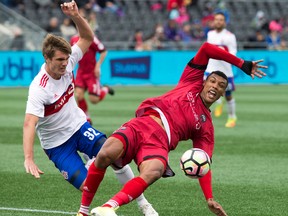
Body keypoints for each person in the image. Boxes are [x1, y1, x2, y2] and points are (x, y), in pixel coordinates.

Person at [76, 42, 267, 216]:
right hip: (143, 124)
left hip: (159, 143)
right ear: (204, 82)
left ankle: (108, 207)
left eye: (221, 86)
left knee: (155, 170)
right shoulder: (191, 81)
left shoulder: (206, 126)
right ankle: (83, 212)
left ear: (222, 95)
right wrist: (241, 63)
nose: (216, 86)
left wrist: (209, 198)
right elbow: (207, 48)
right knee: (105, 154)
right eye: (213, 81)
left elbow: (204, 162)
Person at [22, 1, 158, 216]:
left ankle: (144, 204)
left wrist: (76, 16)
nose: (65, 64)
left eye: (67, 59)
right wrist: (29, 157)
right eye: (59, 60)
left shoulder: (69, 62)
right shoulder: (39, 88)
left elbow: (86, 38)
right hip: (57, 145)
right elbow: (30, 122)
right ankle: (92, 168)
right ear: (46, 58)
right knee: (87, 185)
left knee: (116, 156)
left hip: (79, 126)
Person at [70, 31, 113, 124]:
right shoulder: (73, 39)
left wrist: (98, 65)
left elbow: (103, 51)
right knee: (78, 95)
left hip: (91, 73)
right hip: (81, 72)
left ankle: (105, 89)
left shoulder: (92, 38)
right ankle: (87, 118)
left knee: (94, 100)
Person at [205, 12, 238, 128]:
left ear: (225, 22)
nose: (218, 21)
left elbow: (233, 53)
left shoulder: (230, 36)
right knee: (204, 94)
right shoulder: (210, 34)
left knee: (228, 95)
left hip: (225, 71)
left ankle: (232, 116)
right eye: (216, 19)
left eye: (221, 20)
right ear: (214, 21)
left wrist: (221, 54)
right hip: (210, 69)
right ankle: (207, 118)